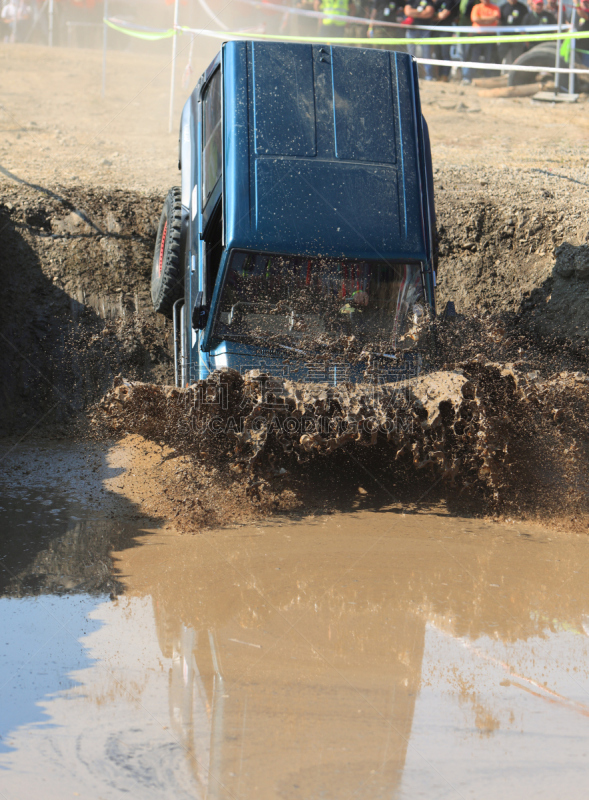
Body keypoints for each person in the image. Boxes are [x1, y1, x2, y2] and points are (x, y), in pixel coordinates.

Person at [403, 0, 436, 79]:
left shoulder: (429, 1)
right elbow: (407, 12)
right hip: (412, 29)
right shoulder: (411, 1)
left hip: (424, 29)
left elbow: (429, 13)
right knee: (410, 53)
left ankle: (428, 76)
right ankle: (410, 74)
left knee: (426, 53)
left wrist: (414, 13)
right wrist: (421, 12)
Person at [469, 0, 501, 77]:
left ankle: (488, 77)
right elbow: (475, 19)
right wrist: (489, 20)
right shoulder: (476, 7)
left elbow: (495, 18)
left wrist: (481, 19)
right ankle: (471, 77)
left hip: (490, 36)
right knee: (474, 57)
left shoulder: (495, 7)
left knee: (489, 57)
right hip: (478, 36)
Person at [433, 0, 460, 80]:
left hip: (445, 30)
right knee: (437, 54)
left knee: (445, 53)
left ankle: (445, 76)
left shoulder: (449, 1)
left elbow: (443, 15)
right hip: (435, 29)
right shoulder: (436, 2)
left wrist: (431, 16)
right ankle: (439, 75)